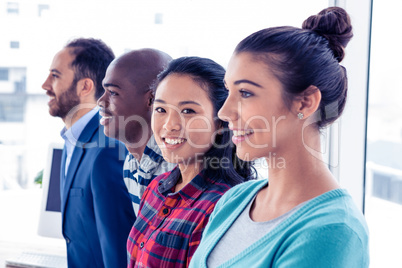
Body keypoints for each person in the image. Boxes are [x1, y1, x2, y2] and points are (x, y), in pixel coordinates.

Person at [190, 7, 369, 267]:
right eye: (229, 90)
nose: (225, 112)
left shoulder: (332, 230)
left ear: (305, 103)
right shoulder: (235, 200)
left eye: (246, 93)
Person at [126, 57, 254, 267]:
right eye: (161, 109)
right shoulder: (156, 188)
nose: (169, 125)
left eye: (188, 111)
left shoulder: (224, 207)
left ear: (221, 121)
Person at [42, 38, 135, 268]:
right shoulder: (71, 140)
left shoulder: (107, 148)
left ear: (85, 87)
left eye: (55, 76)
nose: (45, 85)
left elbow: (117, 247)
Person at [97, 48, 176, 215]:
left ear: (152, 100)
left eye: (113, 93)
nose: (101, 101)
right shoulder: (131, 164)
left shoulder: (176, 167)